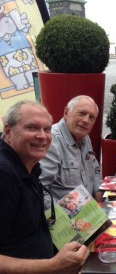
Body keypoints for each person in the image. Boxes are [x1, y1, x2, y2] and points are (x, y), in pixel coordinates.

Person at [0, 100, 89, 273]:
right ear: (8, 132)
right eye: (32, 128)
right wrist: (54, 265)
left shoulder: (28, 164)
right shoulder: (4, 175)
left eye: (47, 129)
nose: (42, 136)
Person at [40, 95, 102, 209]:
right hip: (66, 219)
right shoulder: (52, 141)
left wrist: (100, 195)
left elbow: (95, 171)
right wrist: (64, 216)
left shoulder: (85, 137)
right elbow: (39, 190)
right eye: (82, 113)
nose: (86, 120)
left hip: (90, 213)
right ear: (66, 112)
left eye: (91, 117)